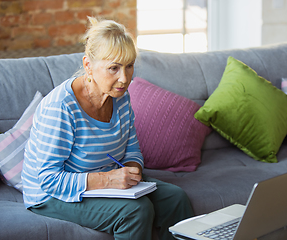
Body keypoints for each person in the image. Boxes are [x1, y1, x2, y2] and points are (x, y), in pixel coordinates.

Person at [21, 17, 194, 240]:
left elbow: (131, 149)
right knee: (135, 211)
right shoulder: (61, 107)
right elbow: (49, 179)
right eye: (113, 68)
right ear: (88, 66)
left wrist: (133, 170)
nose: (124, 78)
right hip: (51, 195)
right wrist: (108, 179)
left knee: (176, 198)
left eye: (129, 66)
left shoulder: (120, 96)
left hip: (105, 181)